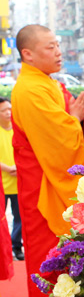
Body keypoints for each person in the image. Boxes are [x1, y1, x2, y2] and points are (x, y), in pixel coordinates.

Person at [11, 24, 84, 297]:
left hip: (46, 178)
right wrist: (74, 118)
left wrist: (72, 118)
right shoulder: (30, 89)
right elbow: (58, 140)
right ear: (28, 54)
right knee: (47, 249)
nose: (59, 52)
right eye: (50, 47)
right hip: (43, 184)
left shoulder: (43, 82)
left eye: (58, 45)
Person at [0, 97, 23, 260]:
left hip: (18, 181)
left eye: (9, 109)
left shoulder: (18, 129)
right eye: (3, 110)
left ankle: (16, 246)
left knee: (19, 217)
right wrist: (7, 168)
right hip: (2, 183)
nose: (8, 113)